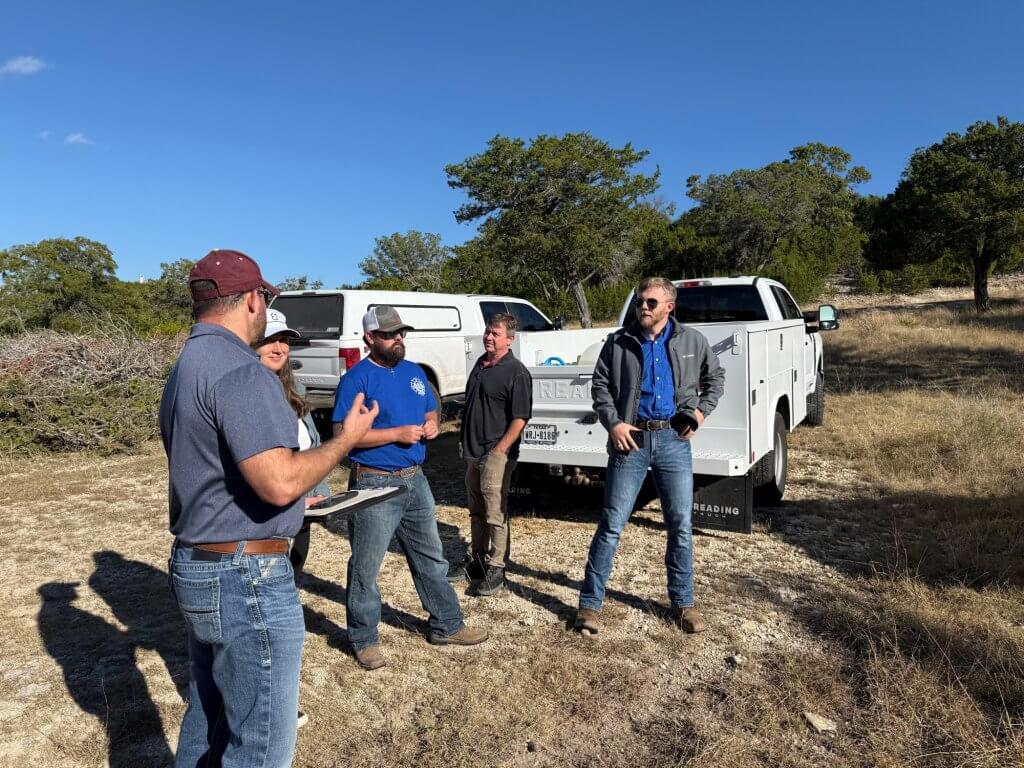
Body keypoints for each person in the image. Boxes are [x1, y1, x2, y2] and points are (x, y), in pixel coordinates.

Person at [159, 249, 377, 768]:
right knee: (258, 747)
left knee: (209, 720)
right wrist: (344, 440)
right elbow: (279, 483)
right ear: (254, 300)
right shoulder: (240, 370)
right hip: (245, 574)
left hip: (198, 561)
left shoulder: (186, 365)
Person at [332, 305, 488, 671]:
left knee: (431, 556)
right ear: (370, 338)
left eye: (401, 332)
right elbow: (340, 437)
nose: (398, 338)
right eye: (389, 334)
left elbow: (430, 409)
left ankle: (446, 625)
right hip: (374, 481)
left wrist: (431, 423)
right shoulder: (356, 380)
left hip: (414, 480)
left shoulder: (414, 372)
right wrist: (394, 434)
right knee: (366, 567)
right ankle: (364, 638)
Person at [574, 276, 725, 635]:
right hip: (632, 441)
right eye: (641, 301)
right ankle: (589, 606)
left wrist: (700, 413)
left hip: (674, 440)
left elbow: (716, 379)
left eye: (651, 302)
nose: (643, 306)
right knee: (611, 525)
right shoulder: (619, 341)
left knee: (680, 526)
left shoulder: (692, 340)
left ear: (669, 307)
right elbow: (600, 385)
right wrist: (613, 424)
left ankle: (684, 604)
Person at [253, 306, 329, 731]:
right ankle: (272, 709)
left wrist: (317, 493)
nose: (279, 347)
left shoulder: (288, 392)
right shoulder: (246, 392)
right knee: (267, 621)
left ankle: (275, 699)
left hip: (298, 516)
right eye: (270, 339)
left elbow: (305, 453)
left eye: (285, 341)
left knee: (280, 608)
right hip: (270, 521)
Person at [448, 312, 532, 596]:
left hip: (496, 453)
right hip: (472, 451)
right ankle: (478, 561)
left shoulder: (516, 372)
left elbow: (520, 418)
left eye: (495, 333)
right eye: (487, 331)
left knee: (495, 511)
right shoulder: (480, 365)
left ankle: (497, 567)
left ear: (510, 339)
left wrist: (500, 450)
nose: (488, 337)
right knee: (475, 510)